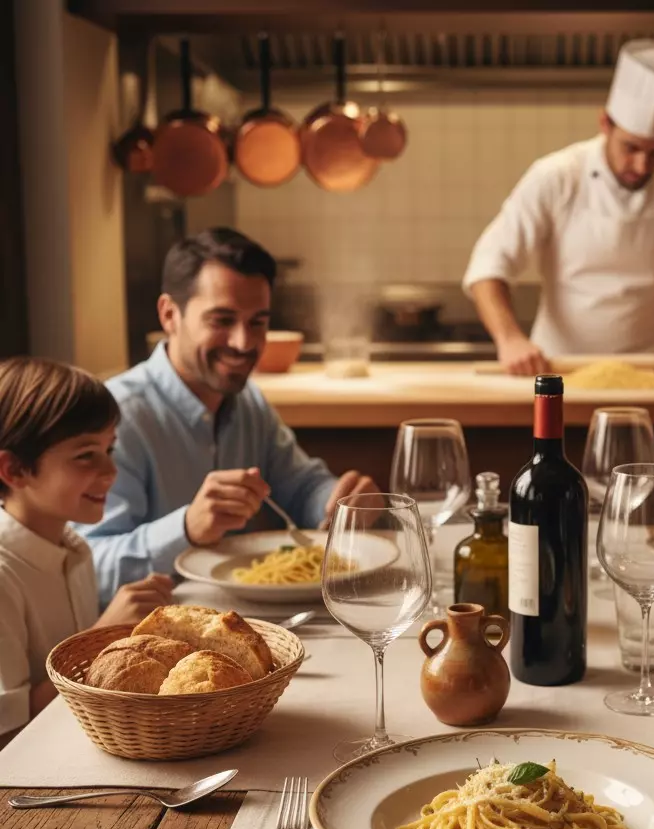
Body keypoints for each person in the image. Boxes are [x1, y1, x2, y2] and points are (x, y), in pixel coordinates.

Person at [78, 228, 377, 605]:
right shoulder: (114, 417)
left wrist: (337, 502)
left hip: (252, 626)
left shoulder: (248, 401)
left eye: (257, 322)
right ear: (170, 315)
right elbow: (84, 570)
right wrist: (186, 529)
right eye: (222, 320)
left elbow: (299, 487)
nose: (244, 343)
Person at [463, 39, 654, 376]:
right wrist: (509, 340)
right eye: (631, 147)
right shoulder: (556, 177)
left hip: (651, 369)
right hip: (556, 369)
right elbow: (490, 265)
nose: (641, 165)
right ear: (605, 123)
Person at [0, 358, 173, 738]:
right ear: (14, 470)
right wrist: (104, 634)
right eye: (84, 455)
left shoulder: (75, 549)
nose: (110, 471)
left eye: (109, 450)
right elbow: (7, 729)